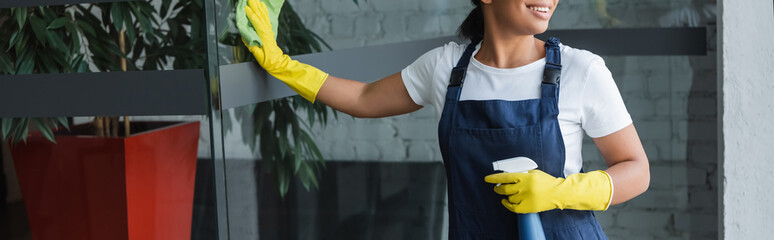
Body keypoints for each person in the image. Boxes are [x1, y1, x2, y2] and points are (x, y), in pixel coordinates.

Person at [240, 0, 650, 239]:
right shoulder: (447, 68)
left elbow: (637, 170)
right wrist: (282, 65)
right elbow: (364, 98)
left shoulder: (581, 70)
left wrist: (561, 192)